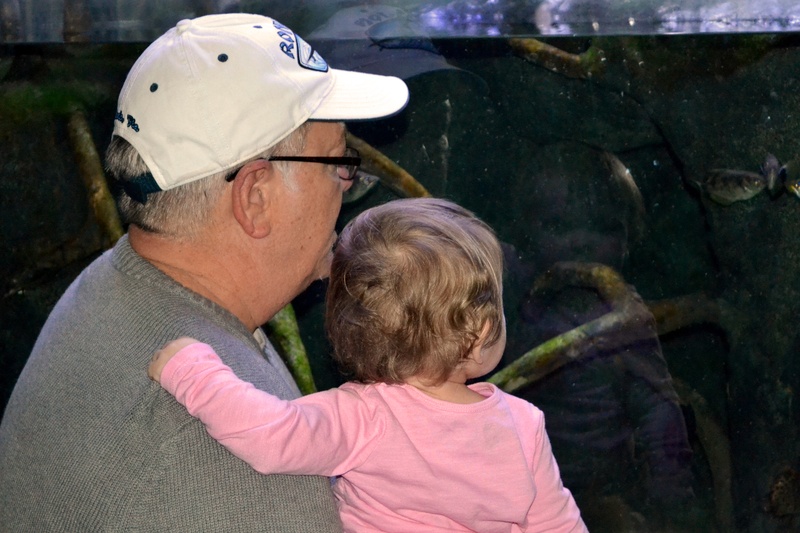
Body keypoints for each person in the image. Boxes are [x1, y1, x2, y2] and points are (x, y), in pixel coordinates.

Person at [0, 13, 409, 532]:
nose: (347, 184)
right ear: (255, 197)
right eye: (338, 164)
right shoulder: (242, 470)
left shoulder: (115, 283)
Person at [147, 198, 589, 533]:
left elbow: (268, 434)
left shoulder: (363, 416)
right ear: (481, 334)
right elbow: (561, 526)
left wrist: (192, 370)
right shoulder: (524, 427)